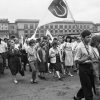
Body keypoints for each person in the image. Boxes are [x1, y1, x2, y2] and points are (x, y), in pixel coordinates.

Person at [73, 30, 96, 100]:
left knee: (90, 83)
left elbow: (91, 57)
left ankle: (78, 96)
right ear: (82, 38)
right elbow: (76, 60)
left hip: (90, 67)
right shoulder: (79, 47)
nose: (89, 38)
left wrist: (93, 60)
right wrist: (85, 59)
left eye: (90, 37)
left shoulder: (89, 45)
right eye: (87, 37)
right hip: (83, 68)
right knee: (87, 86)